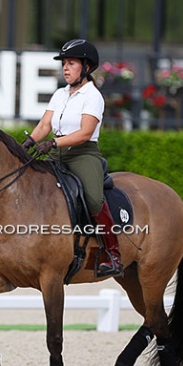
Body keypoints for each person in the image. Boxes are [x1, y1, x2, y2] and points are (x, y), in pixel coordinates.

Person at [22, 39, 123, 277]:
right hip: (55, 152)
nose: (65, 68)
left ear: (86, 67)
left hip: (83, 154)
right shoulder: (60, 94)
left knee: (94, 199)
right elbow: (45, 124)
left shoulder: (93, 96)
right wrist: (29, 142)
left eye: (71, 63)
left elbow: (85, 132)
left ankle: (113, 253)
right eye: (64, 64)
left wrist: (53, 142)